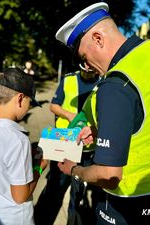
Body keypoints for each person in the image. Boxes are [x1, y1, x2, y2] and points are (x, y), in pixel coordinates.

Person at [55, 2, 150, 225]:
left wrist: (75, 170)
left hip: (128, 198)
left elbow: (108, 174)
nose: (87, 67)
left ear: (98, 38)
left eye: (84, 58)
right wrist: (110, 131)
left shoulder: (116, 84)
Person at [0, 68, 47, 225]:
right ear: (20, 98)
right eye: (30, 102)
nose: (29, 107)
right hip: (14, 218)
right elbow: (20, 196)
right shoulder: (18, 140)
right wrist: (39, 166)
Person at [34, 66, 99, 225]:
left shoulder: (103, 83)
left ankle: (73, 221)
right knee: (55, 186)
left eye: (91, 71)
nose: (87, 72)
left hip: (88, 146)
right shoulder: (69, 79)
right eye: (84, 69)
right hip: (64, 142)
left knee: (79, 191)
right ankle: (42, 219)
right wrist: (69, 115)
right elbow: (53, 106)